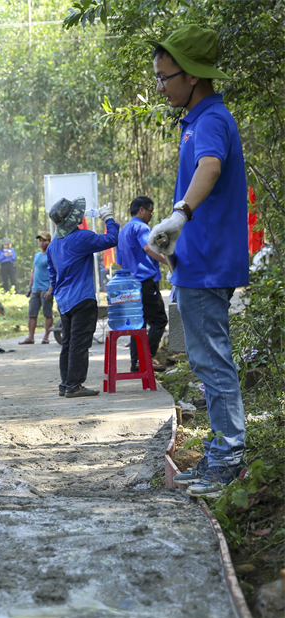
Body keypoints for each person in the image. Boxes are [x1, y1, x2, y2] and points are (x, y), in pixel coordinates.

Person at [146, 25, 248, 497]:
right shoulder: (194, 120)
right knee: (206, 363)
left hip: (209, 264)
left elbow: (211, 167)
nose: (161, 86)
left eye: (165, 78)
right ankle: (222, 452)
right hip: (195, 262)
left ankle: (229, 458)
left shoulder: (210, 120)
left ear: (192, 77)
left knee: (213, 361)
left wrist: (179, 215)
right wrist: (171, 244)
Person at [47, 197, 118, 398]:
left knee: (68, 343)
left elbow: (52, 274)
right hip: (82, 299)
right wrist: (109, 219)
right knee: (80, 344)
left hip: (64, 301)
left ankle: (66, 383)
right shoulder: (81, 238)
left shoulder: (53, 245)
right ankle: (75, 386)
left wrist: (59, 293)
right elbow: (111, 239)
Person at [116, 196, 169, 372]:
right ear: (141, 210)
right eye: (150, 212)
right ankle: (149, 357)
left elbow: (121, 263)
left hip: (130, 284)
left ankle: (136, 362)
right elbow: (149, 248)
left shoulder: (123, 232)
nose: (151, 216)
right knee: (159, 319)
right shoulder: (141, 227)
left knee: (139, 324)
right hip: (145, 282)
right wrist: (170, 263)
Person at [19, 233, 54, 344]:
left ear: (49, 241)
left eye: (44, 240)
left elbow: (55, 273)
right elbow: (33, 271)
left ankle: (46, 337)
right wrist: (29, 287)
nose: (42, 243)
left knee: (47, 313)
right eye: (40, 240)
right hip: (35, 288)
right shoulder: (37, 255)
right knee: (32, 313)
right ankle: (31, 337)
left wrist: (50, 289)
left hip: (45, 288)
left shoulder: (51, 255)